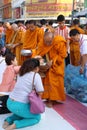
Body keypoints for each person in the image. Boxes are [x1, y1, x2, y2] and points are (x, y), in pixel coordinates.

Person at [3, 58, 44, 130]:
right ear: (36, 67)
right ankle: (15, 125)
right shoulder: (36, 75)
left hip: (9, 102)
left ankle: (8, 120)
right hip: (19, 106)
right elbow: (40, 92)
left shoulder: (20, 74)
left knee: (22, 113)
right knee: (37, 117)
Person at [33, 31, 67, 107]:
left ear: (53, 38)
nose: (47, 44)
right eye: (46, 42)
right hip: (46, 64)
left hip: (57, 65)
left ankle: (53, 99)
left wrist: (52, 61)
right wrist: (40, 60)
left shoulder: (59, 41)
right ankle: (49, 99)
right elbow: (39, 52)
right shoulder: (42, 42)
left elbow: (62, 54)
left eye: (49, 42)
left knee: (56, 82)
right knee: (47, 81)